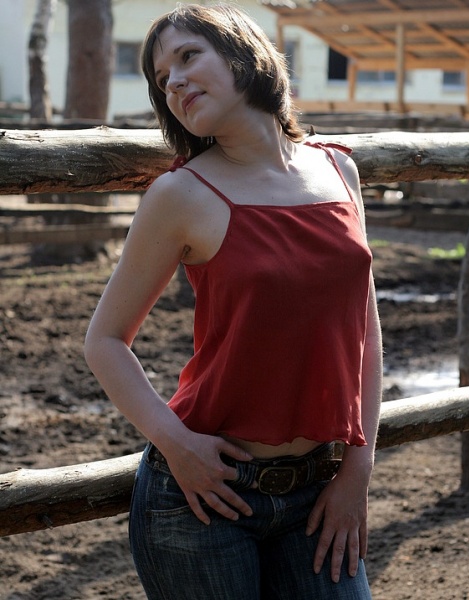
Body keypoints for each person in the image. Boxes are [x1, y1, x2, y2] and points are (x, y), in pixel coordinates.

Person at [84, 3, 383, 599]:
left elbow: (365, 335)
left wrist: (358, 472)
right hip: (203, 496)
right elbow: (104, 341)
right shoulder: (179, 195)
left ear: (244, 53)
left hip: (320, 490)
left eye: (188, 56)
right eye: (161, 77)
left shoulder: (338, 170)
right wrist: (177, 446)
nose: (173, 82)